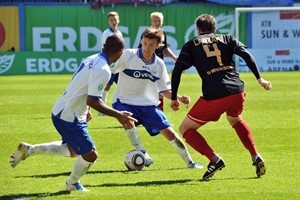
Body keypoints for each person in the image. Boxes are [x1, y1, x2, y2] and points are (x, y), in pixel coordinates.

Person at [10, 35, 137, 192]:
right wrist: (118, 114)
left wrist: (87, 110)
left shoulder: (91, 58)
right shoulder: (103, 70)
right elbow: (93, 100)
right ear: (120, 52)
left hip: (62, 110)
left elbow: (81, 85)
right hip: (69, 116)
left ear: (104, 46)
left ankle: (30, 150)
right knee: (91, 155)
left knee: (73, 150)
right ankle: (72, 183)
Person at [170, 14, 272, 180]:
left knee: (185, 129)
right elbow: (246, 55)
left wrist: (174, 97)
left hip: (215, 94)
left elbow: (177, 70)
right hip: (237, 89)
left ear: (198, 29)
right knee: (235, 119)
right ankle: (255, 155)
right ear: (214, 28)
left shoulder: (191, 45)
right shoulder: (228, 38)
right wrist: (259, 78)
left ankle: (214, 159)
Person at [111, 27, 202, 169]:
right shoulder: (129, 55)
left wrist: (177, 98)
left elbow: (164, 88)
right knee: (128, 121)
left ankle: (190, 162)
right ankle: (143, 152)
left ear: (158, 45)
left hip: (147, 104)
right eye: (145, 43)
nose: (146, 47)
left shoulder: (159, 64)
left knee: (169, 133)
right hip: (123, 101)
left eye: (151, 44)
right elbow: (110, 69)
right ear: (141, 41)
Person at [138, 12, 177, 111]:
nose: (157, 22)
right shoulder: (146, 34)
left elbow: (165, 48)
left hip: (158, 65)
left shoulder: (163, 33)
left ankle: (160, 114)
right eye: (155, 20)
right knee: (149, 90)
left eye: (159, 20)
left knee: (161, 90)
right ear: (151, 21)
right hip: (147, 65)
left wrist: (174, 57)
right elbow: (140, 49)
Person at [99, 11, 123, 116]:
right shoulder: (106, 33)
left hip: (118, 64)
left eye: (115, 19)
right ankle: (101, 109)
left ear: (118, 20)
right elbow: (106, 48)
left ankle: (125, 106)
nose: (114, 22)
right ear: (108, 22)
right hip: (110, 64)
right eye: (111, 20)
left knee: (123, 84)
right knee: (106, 86)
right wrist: (110, 63)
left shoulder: (119, 33)